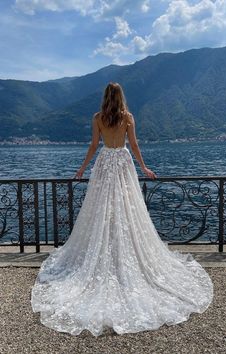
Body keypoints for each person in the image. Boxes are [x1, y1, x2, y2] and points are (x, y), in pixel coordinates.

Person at [31, 82, 213, 337]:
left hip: (106, 163)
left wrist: (83, 168)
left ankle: (108, 249)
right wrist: (144, 168)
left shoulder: (97, 118)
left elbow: (94, 146)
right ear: (121, 97)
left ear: (106, 96)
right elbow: (135, 146)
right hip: (124, 163)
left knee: (102, 208)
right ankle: (122, 250)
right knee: (127, 207)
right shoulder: (128, 117)